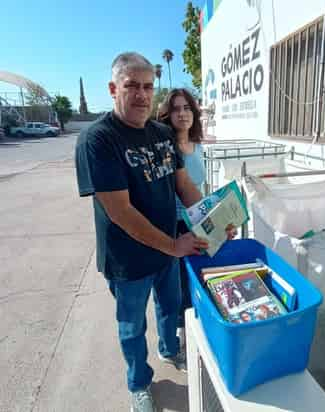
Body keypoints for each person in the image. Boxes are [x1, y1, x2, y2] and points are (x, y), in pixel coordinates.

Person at [75, 52, 210, 412]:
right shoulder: (98, 140)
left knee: (169, 311)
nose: (141, 95)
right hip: (128, 259)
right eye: (131, 85)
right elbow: (120, 212)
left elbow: (184, 185)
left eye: (148, 86)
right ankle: (139, 383)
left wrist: (208, 219)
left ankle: (170, 351)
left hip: (168, 251)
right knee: (131, 327)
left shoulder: (163, 134)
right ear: (113, 88)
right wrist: (173, 245)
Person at [158, 88, 206, 349]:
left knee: (195, 281)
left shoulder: (198, 146)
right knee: (174, 289)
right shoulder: (163, 148)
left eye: (187, 107)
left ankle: (193, 333)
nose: (182, 113)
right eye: (176, 109)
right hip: (173, 224)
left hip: (197, 220)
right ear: (168, 114)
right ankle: (175, 341)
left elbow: (200, 187)